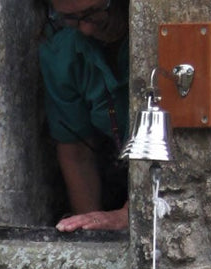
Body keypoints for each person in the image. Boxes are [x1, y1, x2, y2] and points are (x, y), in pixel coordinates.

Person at [40, 0, 130, 232]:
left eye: (95, 13)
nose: (87, 29)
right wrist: (88, 225)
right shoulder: (62, 52)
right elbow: (76, 153)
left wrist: (133, 214)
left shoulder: (165, 35)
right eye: (71, 18)